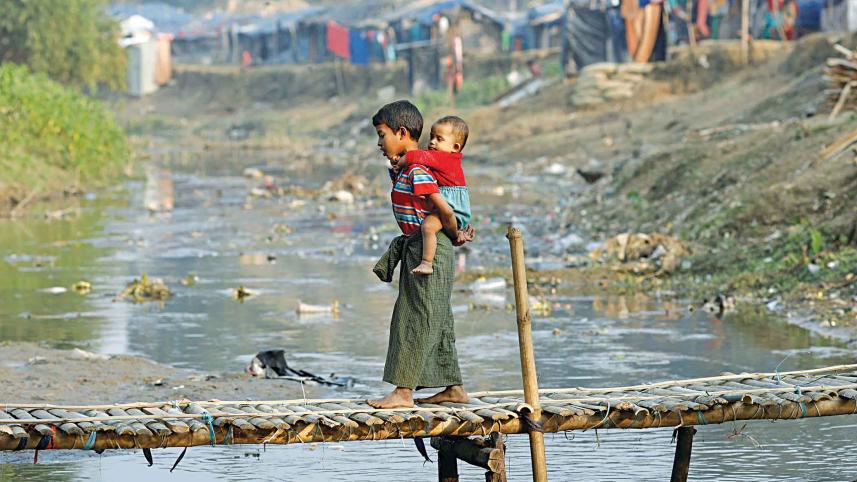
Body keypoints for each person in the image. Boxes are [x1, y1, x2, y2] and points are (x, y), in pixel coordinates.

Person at [367, 100, 473, 409]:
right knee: (438, 319)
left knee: (413, 317)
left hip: (429, 249)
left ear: (401, 132)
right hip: (419, 246)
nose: (379, 142)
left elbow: (444, 209)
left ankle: (403, 392)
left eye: (382, 134)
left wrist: (454, 234)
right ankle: (454, 388)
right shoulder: (406, 168)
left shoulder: (419, 169)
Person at [396, 116, 471, 276]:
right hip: (452, 204)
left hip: (452, 206)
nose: (432, 142)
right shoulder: (445, 158)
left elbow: (416, 156)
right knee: (436, 226)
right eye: (431, 136)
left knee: (428, 226)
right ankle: (458, 234)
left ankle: (426, 263)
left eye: (439, 139)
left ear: (455, 147)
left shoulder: (445, 158)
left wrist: (400, 162)